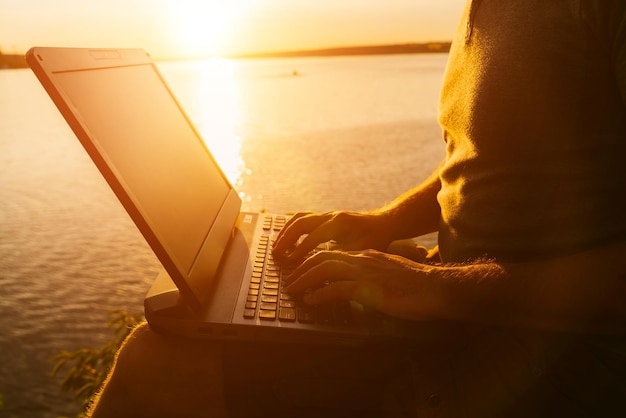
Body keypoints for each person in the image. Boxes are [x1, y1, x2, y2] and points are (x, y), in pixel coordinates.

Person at [87, 0, 626, 417]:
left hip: (540, 357)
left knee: (156, 363)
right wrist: (386, 223)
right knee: (284, 278)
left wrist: (440, 289)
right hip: (459, 310)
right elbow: (483, 157)